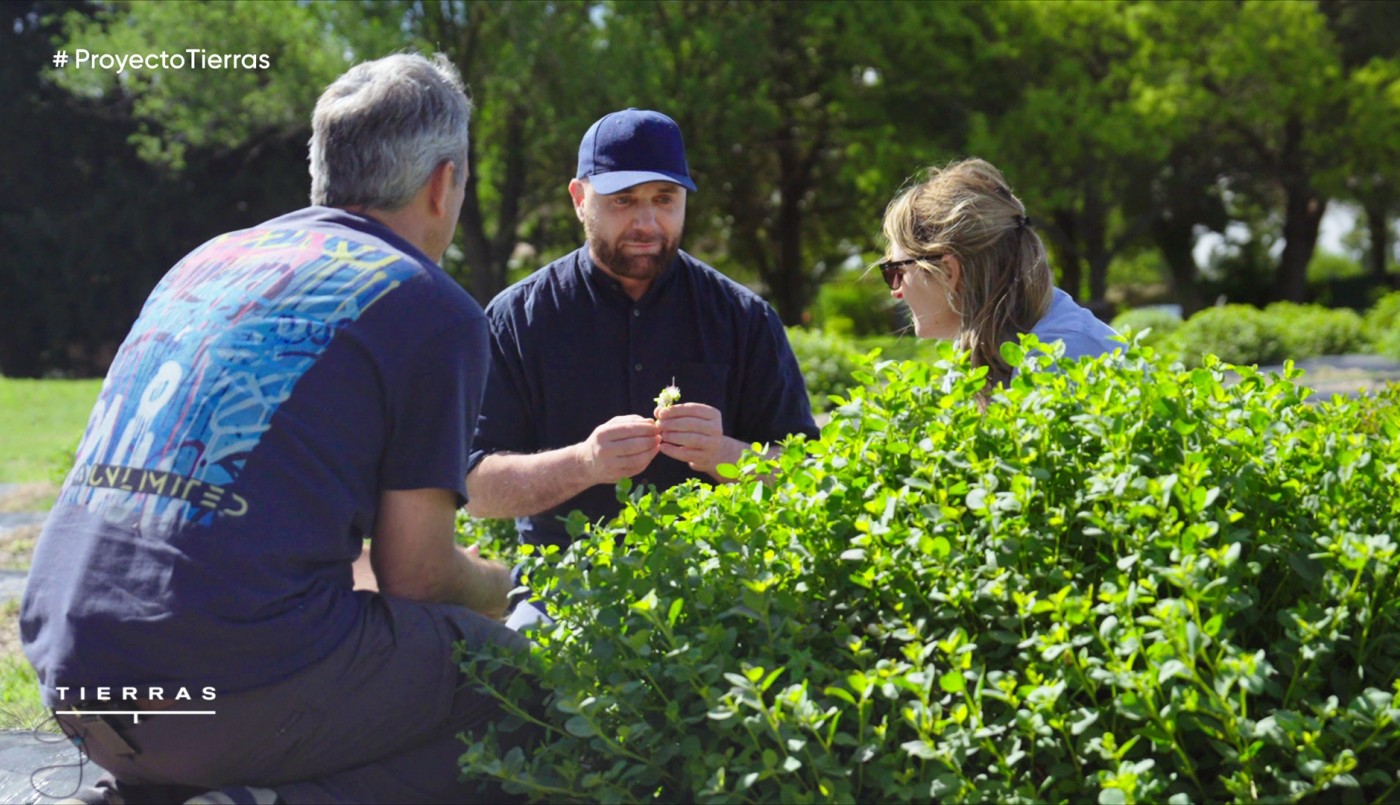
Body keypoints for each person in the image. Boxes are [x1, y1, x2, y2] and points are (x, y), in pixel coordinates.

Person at [21, 53, 535, 804]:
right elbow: (418, 577)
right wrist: (503, 584)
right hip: (220, 694)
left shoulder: (206, 262)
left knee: (291, 653)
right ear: (442, 183)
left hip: (75, 679)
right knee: (518, 687)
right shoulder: (431, 307)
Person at [464, 109, 818, 625]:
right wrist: (584, 463)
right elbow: (475, 490)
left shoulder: (744, 318)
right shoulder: (517, 318)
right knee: (517, 664)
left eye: (664, 199)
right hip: (560, 595)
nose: (647, 223)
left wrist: (725, 454)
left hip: (716, 594)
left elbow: (807, 479)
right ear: (579, 199)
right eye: (623, 200)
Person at [878, 158, 1119, 386]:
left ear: (948, 271)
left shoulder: (1062, 357)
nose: (895, 292)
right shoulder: (983, 347)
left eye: (895, 272)